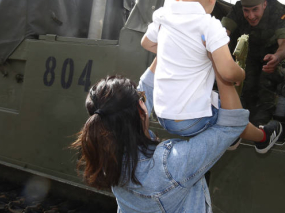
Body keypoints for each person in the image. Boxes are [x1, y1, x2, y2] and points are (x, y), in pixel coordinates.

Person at [141, 0, 281, 153]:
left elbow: (146, 43)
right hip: (192, 120)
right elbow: (227, 73)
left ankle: (232, 138)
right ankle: (262, 138)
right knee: (233, 115)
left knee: (215, 99)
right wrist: (241, 74)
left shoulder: (163, 16)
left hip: (163, 116)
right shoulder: (209, 25)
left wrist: (179, 50)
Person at [71, 58, 251, 212]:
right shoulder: (172, 164)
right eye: (141, 98)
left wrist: (166, 42)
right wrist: (221, 69)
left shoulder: (109, 157)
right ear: (141, 108)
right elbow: (231, 126)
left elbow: (143, 91)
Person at [221, 0, 285, 126]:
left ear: (265, 4)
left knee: (266, 87)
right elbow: (222, 33)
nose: (251, 16)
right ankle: (240, 127)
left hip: (273, 57)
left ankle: (261, 128)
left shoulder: (278, 11)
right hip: (250, 55)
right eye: (246, 11)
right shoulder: (237, 10)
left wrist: (277, 57)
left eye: (255, 10)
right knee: (245, 87)